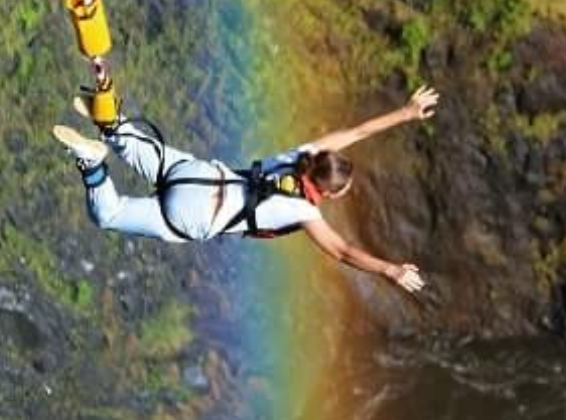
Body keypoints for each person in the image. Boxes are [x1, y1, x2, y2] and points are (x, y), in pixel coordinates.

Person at [53, 85, 439, 293]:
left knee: (130, 141)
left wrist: (406, 111)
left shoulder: (301, 155)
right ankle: (91, 164)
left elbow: (356, 133)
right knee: (110, 214)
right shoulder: (304, 211)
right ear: (328, 192)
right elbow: (343, 251)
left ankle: (110, 120)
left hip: (200, 174)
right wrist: (389, 270)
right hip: (196, 215)